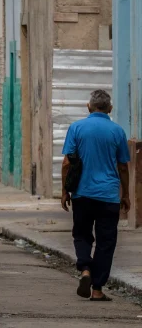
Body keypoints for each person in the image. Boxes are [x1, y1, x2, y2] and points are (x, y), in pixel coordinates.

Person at [61, 89, 130, 302]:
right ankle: (98, 290)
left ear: (88, 107)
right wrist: (125, 194)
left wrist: (64, 191)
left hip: (82, 193)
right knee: (105, 242)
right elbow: (123, 167)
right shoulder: (117, 131)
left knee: (81, 234)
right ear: (110, 108)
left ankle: (85, 270)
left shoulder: (77, 128)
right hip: (108, 195)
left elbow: (67, 163)